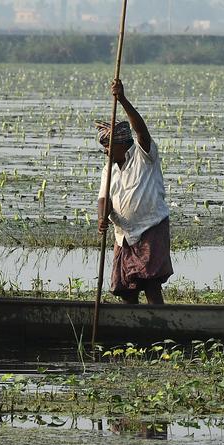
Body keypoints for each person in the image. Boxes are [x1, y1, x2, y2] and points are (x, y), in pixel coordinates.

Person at [96, 79, 173, 305]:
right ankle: (133, 323)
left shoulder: (144, 156)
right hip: (124, 235)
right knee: (126, 290)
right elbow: (104, 198)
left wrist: (122, 99)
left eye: (108, 147)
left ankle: (158, 323)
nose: (106, 152)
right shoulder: (109, 169)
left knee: (150, 283)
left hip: (150, 227)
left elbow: (141, 130)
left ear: (122, 144)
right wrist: (102, 217)